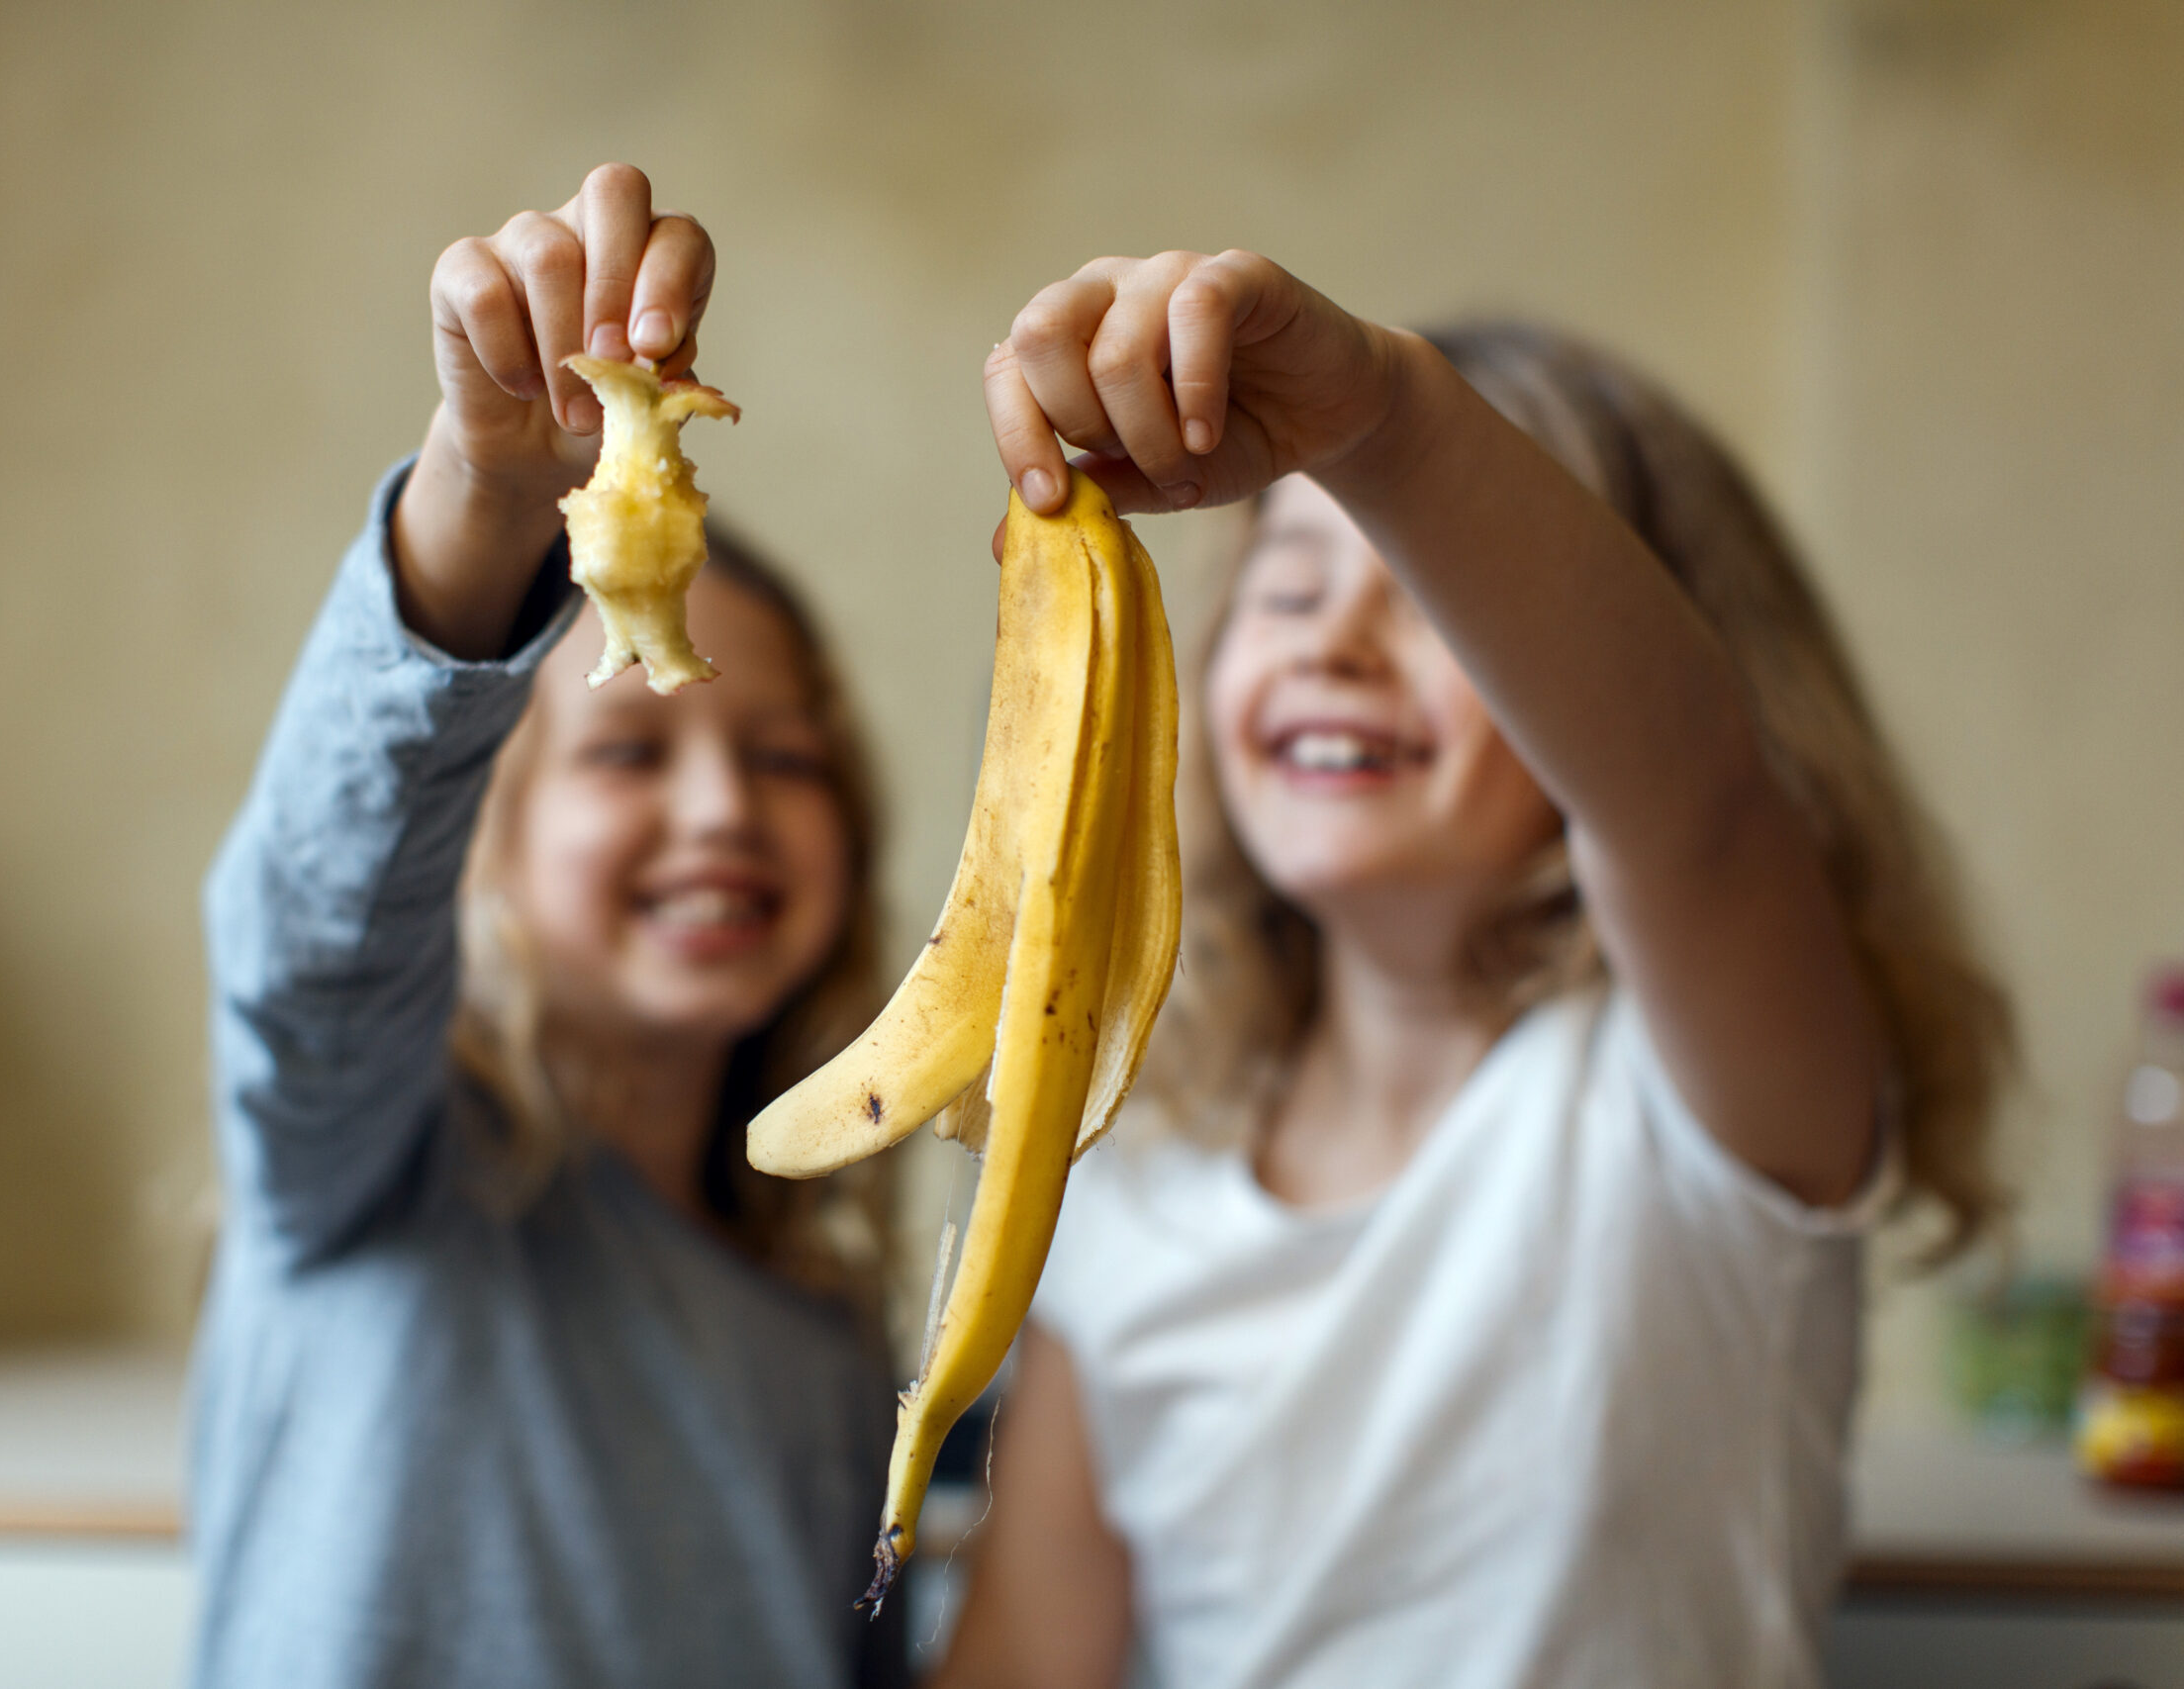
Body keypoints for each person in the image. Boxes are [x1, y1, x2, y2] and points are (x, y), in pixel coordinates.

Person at [937, 257, 2011, 1687]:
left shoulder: (1696, 1106)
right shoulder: (1130, 1173)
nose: (1336, 643)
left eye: (1427, 602)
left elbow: (1685, 793)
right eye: (1292, 587)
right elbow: (1025, 1660)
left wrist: (1385, 420)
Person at [190, 164, 905, 1689]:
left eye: (783, 759)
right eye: (630, 751)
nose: (721, 809)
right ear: (485, 836)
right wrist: (485, 505)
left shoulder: (832, 1340)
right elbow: (311, 930)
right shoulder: (369, 1166)